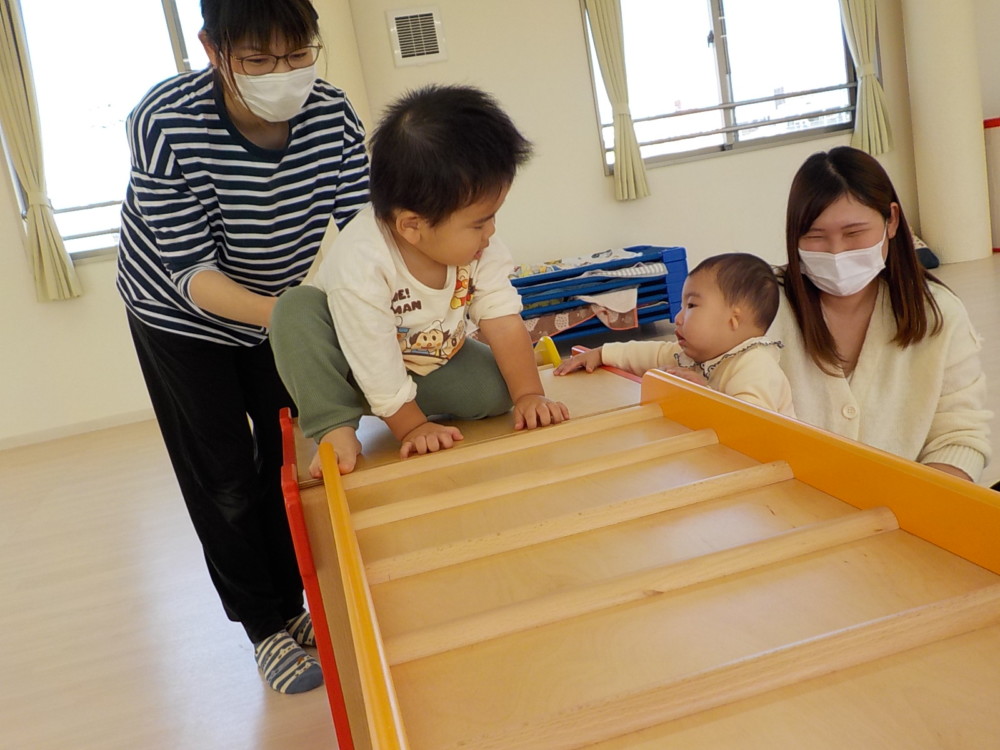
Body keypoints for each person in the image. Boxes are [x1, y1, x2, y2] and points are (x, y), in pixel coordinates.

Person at [117, 0, 370, 695]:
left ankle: (295, 602)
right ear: (212, 48)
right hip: (178, 317)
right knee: (223, 475)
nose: (283, 73)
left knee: (287, 458)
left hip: (276, 306)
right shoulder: (165, 120)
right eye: (258, 59)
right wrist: (298, 318)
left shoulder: (333, 116)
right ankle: (263, 624)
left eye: (298, 54)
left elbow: (367, 232)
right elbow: (192, 275)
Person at [270, 84, 570, 477]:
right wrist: (412, 427)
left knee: (498, 392)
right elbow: (371, 353)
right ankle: (335, 423)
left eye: (493, 216)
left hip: (421, 360)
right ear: (412, 226)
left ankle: (402, 400)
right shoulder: (363, 258)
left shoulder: (479, 248)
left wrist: (529, 395)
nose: (491, 232)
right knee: (295, 308)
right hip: (347, 364)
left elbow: (502, 318)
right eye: (479, 223)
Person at [770, 145, 990, 482]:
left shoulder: (938, 315)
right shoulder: (762, 305)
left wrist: (921, 500)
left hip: (905, 506)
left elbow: (960, 436)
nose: (836, 252)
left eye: (854, 233)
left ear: (892, 220)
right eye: (815, 236)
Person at [554, 253, 795, 417]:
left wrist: (707, 393)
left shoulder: (755, 366)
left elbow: (751, 423)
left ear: (734, 319)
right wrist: (602, 354)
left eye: (691, 306)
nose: (678, 318)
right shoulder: (691, 354)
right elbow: (649, 353)